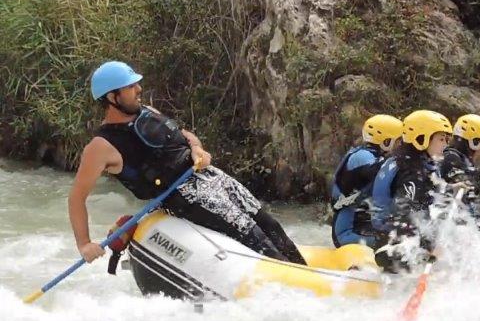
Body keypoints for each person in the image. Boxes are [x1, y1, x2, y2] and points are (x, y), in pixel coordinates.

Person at [69, 61, 307, 265]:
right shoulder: (100, 146)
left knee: (271, 227)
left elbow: (185, 135)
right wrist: (84, 243)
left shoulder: (148, 111)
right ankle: (297, 290)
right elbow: (77, 197)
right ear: (112, 97)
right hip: (183, 198)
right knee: (255, 239)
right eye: (131, 87)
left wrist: (197, 149)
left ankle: (309, 275)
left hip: (212, 177)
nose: (139, 89)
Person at [370, 110, 453, 272]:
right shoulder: (411, 171)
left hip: (392, 236)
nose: (445, 144)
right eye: (441, 139)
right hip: (391, 243)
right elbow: (404, 211)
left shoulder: (408, 161)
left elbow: (422, 200)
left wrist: (451, 188)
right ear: (421, 138)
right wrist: (428, 247)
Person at [330, 114, 403, 247]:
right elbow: (380, 173)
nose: (401, 145)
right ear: (386, 141)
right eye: (399, 141)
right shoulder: (361, 157)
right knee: (395, 241)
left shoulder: (373, 156)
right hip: (347, 233)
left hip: (365, 225)